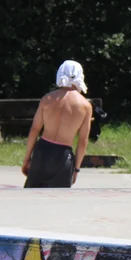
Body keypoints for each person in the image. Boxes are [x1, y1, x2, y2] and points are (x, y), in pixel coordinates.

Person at [22, 60, 93, 188]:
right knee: (59, 202)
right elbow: (82, 141)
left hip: (42, 151)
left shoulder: (47, 99)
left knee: (31, 197)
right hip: (63, 155)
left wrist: (27, 158)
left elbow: (35, 129)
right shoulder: (85, 106)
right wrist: (76, 169)